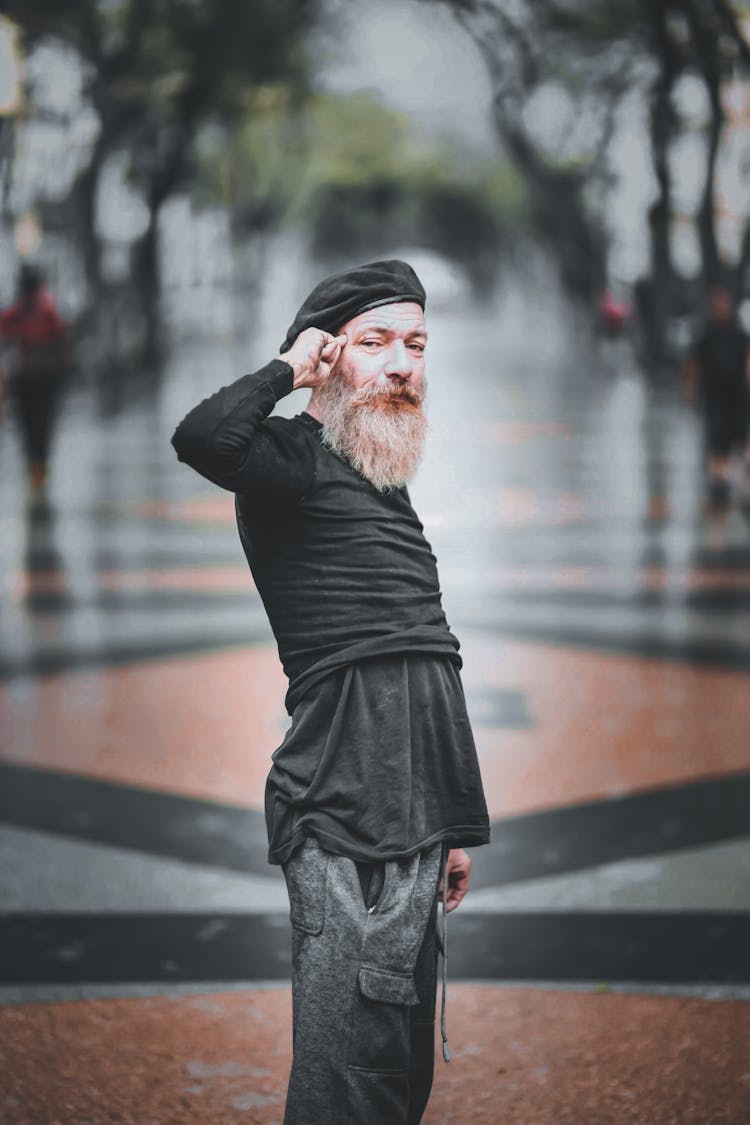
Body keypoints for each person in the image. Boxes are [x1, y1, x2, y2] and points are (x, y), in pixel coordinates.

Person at [171, 259, 490, 1124]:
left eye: (417, 345)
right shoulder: (291, 461)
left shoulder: (379, 479)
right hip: (342, 809)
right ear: (328, 355)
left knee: (396, 1073)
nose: (402, 364)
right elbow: (203, 438)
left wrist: (453, 818)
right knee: (344, 1079)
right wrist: (289, 370)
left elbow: (427, 654)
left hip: (412, 813)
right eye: (376, 342)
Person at [0, 263, 69, 496]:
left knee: (42, 425)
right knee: (28, 425)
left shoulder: (48, 313)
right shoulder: (15, 314)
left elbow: (61, 343)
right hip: (24, 379)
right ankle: (34, 466)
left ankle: (40, 464)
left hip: (44, 380)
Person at [683, 285, 750, 509]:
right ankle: (718, 488)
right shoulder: (705, 334)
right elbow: (694, 364)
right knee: (717, 443)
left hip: (739, 397)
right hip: (714, 398)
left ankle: (739, 489)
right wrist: (691, 390)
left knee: (741, 442)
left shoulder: (739, 334)